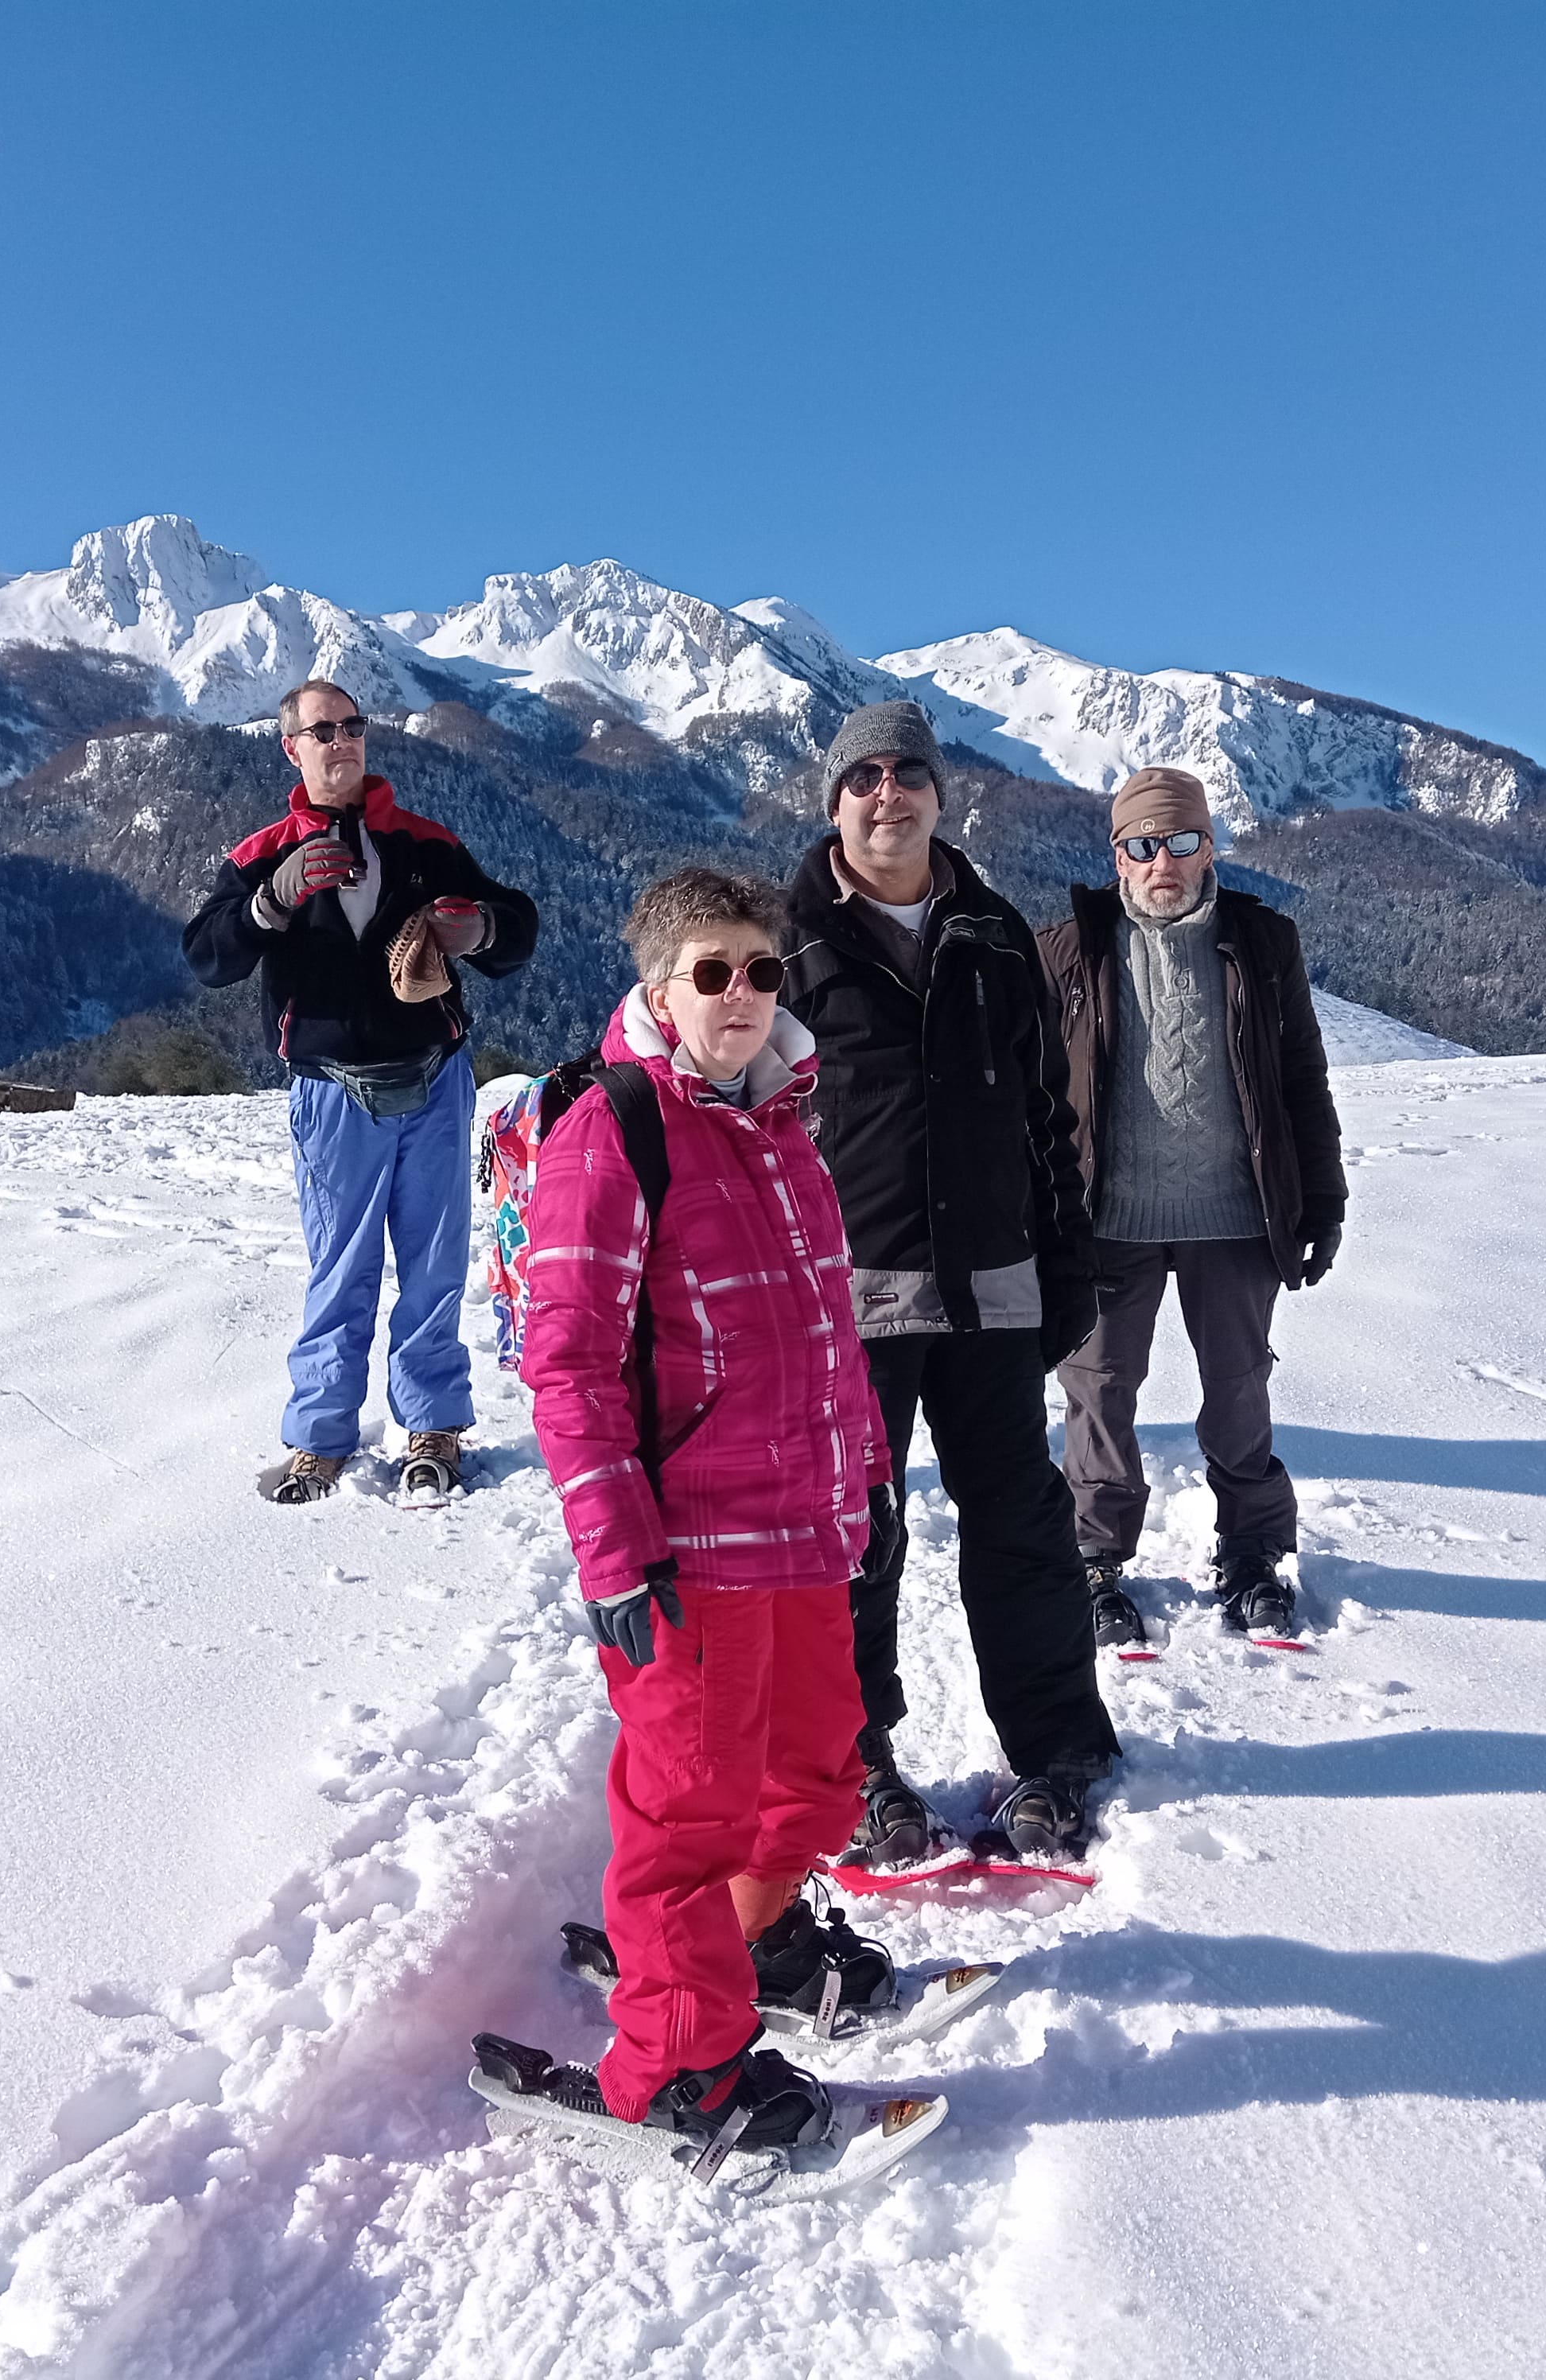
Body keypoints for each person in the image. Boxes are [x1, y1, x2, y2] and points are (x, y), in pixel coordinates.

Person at [519, 866, 892, 2150]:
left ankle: (752, 1948)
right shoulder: (613, 1130)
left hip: (800, 1524)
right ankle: (684, 2070)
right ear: (660, 986)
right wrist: (615, 1556)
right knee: (688, 1818)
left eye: (763, 969)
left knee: (821, 1774)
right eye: (713, 971)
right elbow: (564, 1358)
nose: (742, 995)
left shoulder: (783, 1124)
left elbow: (824, 1332)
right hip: (686, 1552)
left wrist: (863, 1479)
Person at [778, 699, 1120, 1865]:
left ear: (940, 791)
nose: (888, 793)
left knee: (1022, 1528)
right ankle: (855, 1767)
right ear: (834, 801)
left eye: (908, 773)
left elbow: (1044, 1115)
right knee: (855, 1542)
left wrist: (1066, 1265)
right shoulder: (784, 940)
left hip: (996, 1289)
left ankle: (1058, 1750)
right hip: (846, 1299)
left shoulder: (992, 929)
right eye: (863, 775)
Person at [183, 679, 539, 1505]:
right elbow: (206, 956)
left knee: (434, 1264)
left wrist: (478, 929)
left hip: (436, 1077)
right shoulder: (261, 853)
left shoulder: (422, 843)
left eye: (353, 727)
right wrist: (273, 900)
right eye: (323, 731)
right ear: (292, 748)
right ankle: (320, 1437)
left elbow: (515, 927)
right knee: (339, 1268)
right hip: (331, 1091)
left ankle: (433, 1427)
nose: (342, 741)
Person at [1036, 766, 1347, 1639]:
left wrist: (1320, 1201)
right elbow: (1033, 1092)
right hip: (1104, 1219)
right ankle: (1094, 1560)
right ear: (1117, 856)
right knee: (1097, 1391)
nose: (1161, 861)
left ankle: (1250, 1552)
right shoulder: (1067, 947)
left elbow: (1300, 1081)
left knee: (1238, 1388)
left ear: (1209, 847)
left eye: (1179, 841)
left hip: (1235, 1216)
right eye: (1142, 845)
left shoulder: (1261, 940)